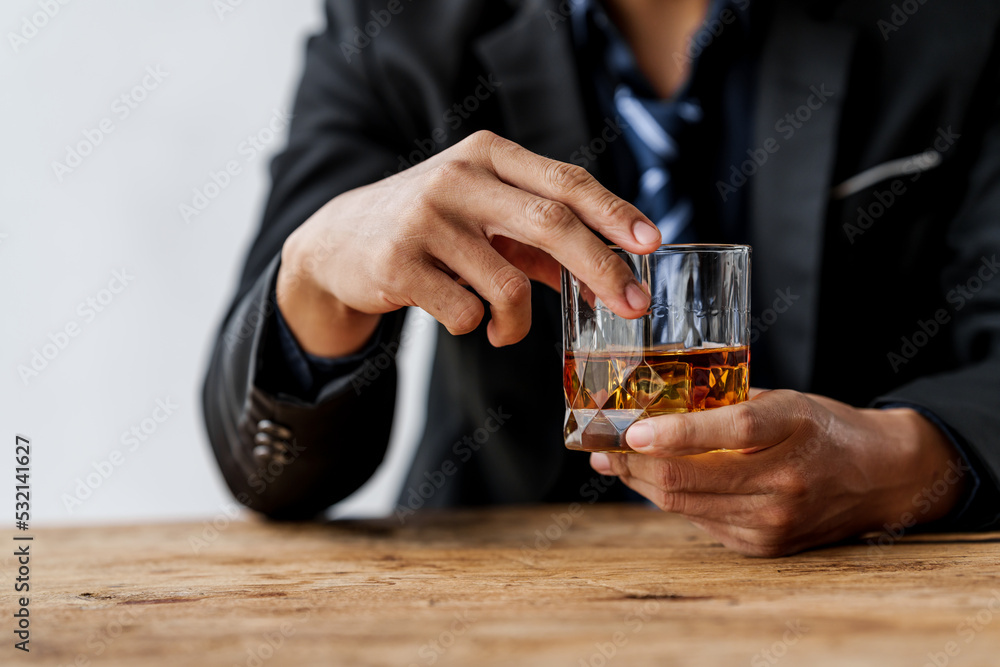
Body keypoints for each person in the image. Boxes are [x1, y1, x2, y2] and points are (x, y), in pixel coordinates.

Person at [202, 0, 1000, 556]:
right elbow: (267, 474)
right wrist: (317, 278)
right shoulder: (394, 19)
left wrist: (902, 462)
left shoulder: (956, 20)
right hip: (495, 603)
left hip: (863, 590)